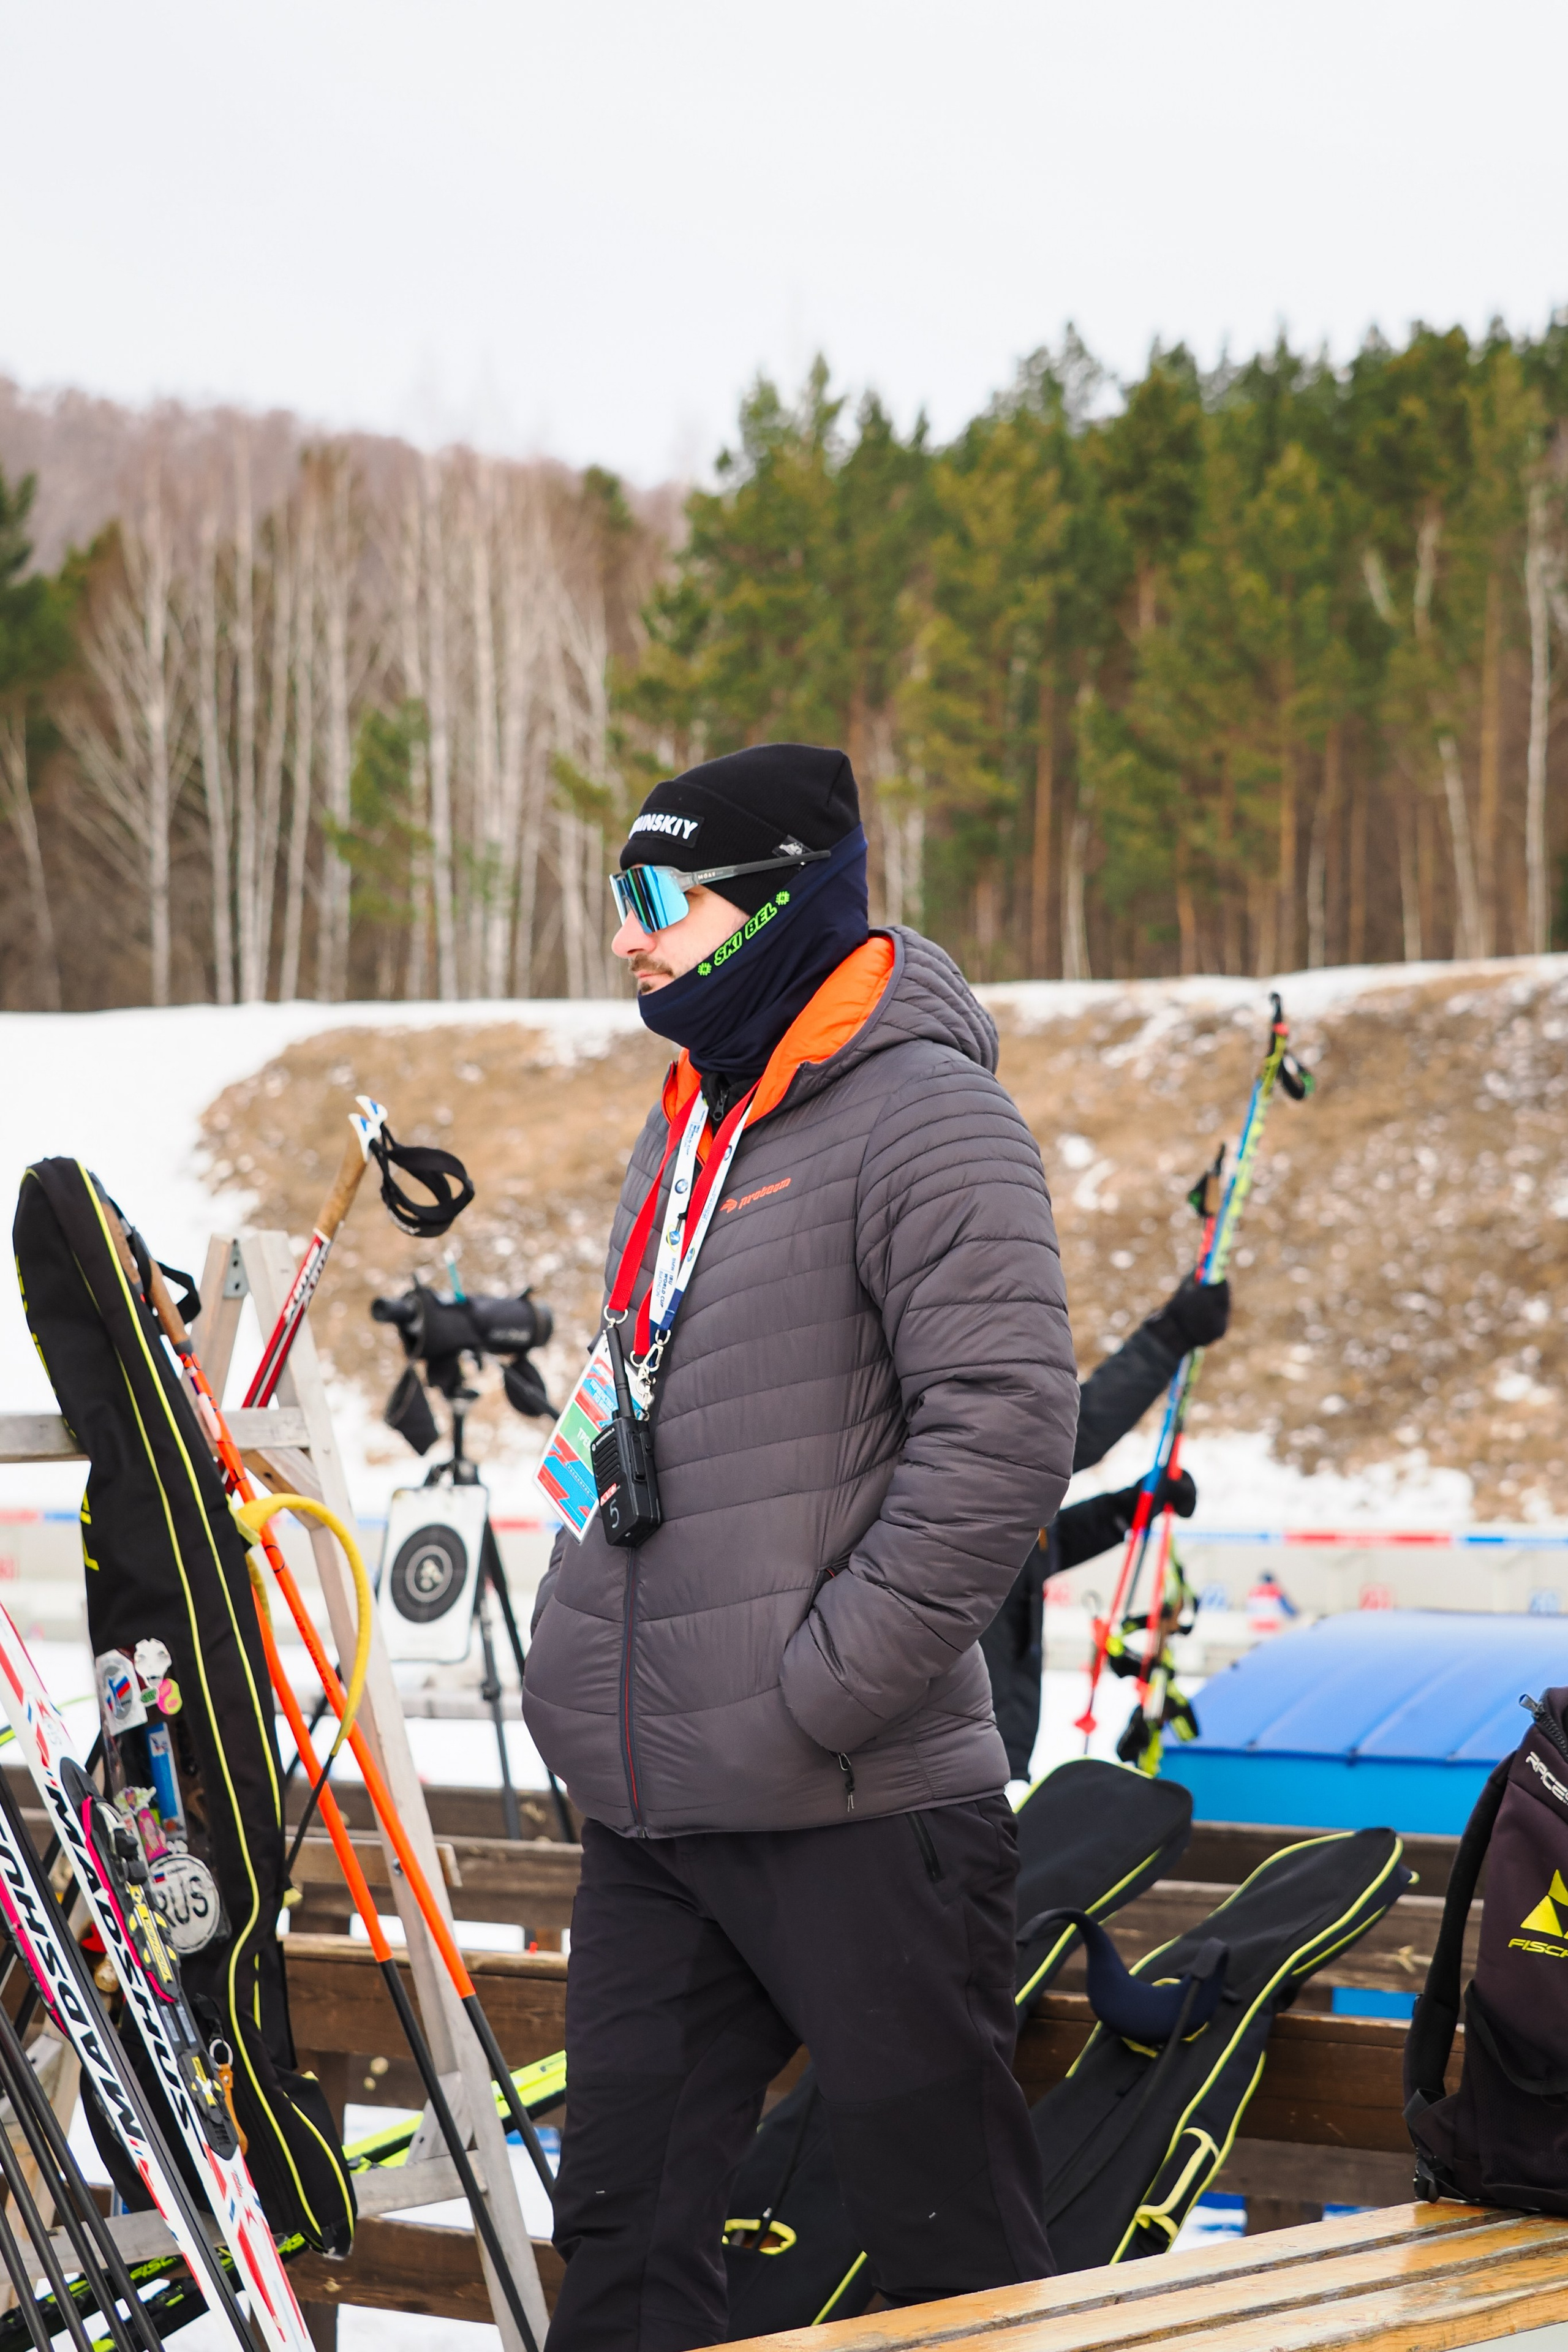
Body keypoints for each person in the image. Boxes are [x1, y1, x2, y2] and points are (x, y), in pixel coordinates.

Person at [522, 744, 1078, 2349]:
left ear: (771, 907)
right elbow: (617, 1388)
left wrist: (819, 1690)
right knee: (619, 2241)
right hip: (658, 1805)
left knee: (948, 2257)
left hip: (856, 1801)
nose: (625, 940)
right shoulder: (689, 1119)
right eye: (615, 900)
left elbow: (1009, 1428)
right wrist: (577, 1646)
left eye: (653, 901)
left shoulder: (927, 1113)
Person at [980, 1273, 1231, 1778]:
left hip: (988, 1763)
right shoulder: (952, 1465)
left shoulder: (981, 1507)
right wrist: (1167, 1339)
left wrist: (1126, 1508)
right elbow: (1063, 1438)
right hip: (940, 1773)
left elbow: (1030, 1551)